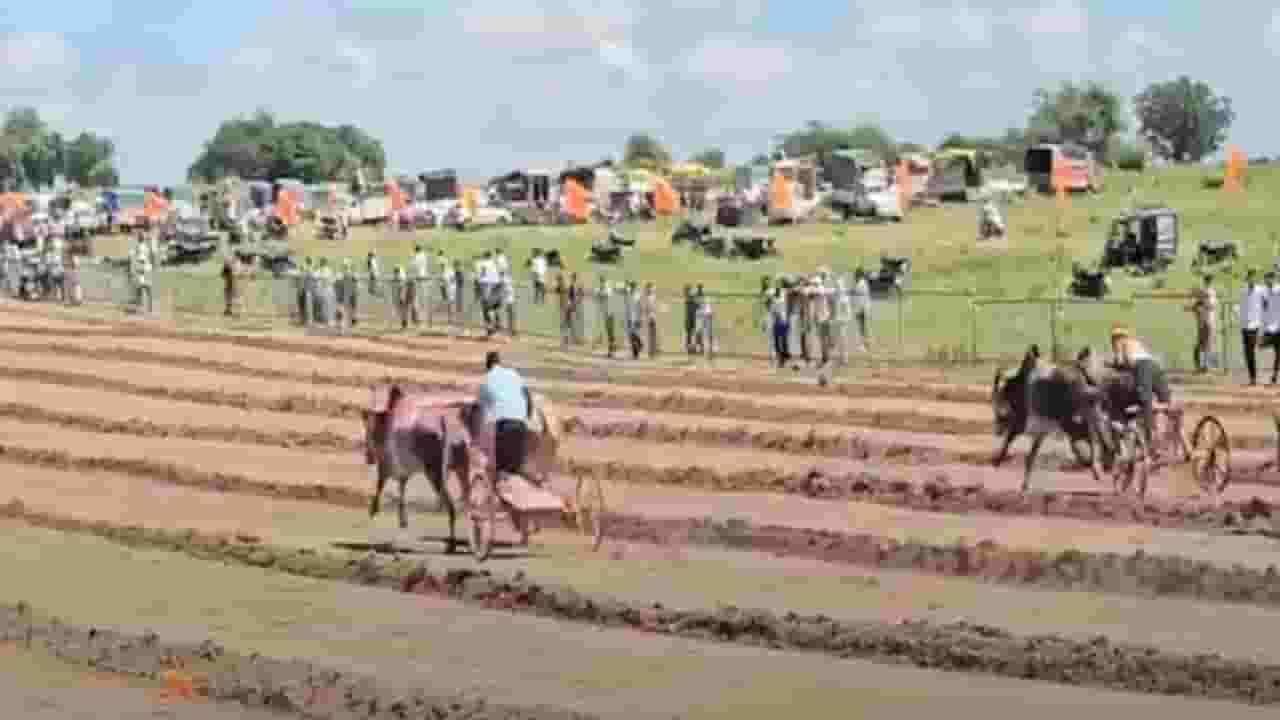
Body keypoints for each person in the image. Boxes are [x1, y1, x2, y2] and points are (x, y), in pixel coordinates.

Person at [475, 351, 533, 494]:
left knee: (501, 470)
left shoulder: (486, 379)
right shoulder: (513, 374)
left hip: (504, 426)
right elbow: (528, 397)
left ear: (487, 366)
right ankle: (520, 498)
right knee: (516, 470)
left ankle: (501, 503)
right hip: (521, 424)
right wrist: (526, 419)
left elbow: (480, 409)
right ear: (499, 362)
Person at [1110, 325, 1172, 457]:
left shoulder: (1121, 344)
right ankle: (1169, 434)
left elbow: (1123, 362)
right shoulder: (1136, 343)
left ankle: (1152, 440)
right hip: (1156, 367)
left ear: (1117, 337)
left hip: (1143, 367)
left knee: (1145, 402)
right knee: (1166, 403)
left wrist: (1114, 365)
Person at [1240, 269, 1265, 386]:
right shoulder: (1243, 291)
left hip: (1255, 324)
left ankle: (1254, 377)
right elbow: (1242, 306)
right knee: (1247, 352)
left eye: (1253, 277)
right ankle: (1252, 377)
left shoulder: (1260, 290)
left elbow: (1266, 304)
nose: (1252, 279)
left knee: (1251, 350)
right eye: (1250, 277)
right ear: (1248, 278)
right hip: (1245, 325)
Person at [1264, 272, 1280, 384]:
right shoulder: (1264, 292)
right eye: (1267, 279)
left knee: (1278, 352)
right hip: (1271, 326)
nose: (1269, 281)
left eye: (1271, 278)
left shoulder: (1278, 290)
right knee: (1277, 351)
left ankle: (1274, 375)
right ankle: (1274, 374)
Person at [410, 243, 430, 326]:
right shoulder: (423, 256)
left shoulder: (416, 257)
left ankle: (418, 319)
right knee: (422, 299)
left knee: (416, 300)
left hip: (418, 279)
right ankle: (422, 319)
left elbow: (412, 266)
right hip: (423, 278)